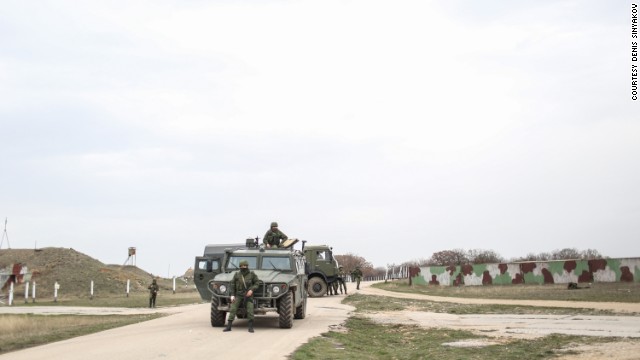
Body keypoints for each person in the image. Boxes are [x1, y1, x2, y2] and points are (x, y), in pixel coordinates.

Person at [224, 260, 260, 333]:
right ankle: (229, 327)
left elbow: (257, 283)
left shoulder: (252, 274)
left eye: (245, 266)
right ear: (240, 266)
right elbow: (233, 285)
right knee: (233, 309)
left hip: (248, 295)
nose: (243, 267)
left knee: (250, 310)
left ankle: (250, 327)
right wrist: (232, 295)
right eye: (242, 266)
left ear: (247, 266)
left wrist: (251, 290)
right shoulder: (237, 274)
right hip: (238, 295)